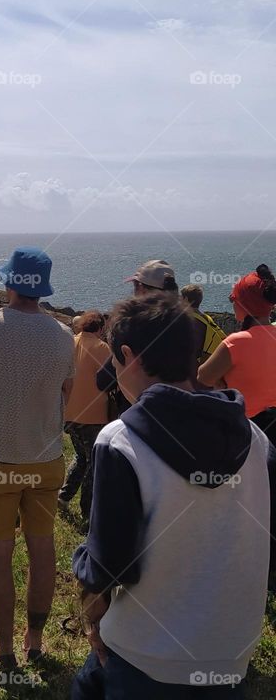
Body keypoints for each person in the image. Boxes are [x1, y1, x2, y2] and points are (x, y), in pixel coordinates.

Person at [71, 293, 274, 699]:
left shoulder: (121, 441)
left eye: (115, 361)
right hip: (230, 656)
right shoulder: (257, 440)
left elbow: (111, 565)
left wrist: (84, 568)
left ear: (129, 356)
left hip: (143, 653)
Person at [0, 247, 74, 668]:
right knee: (42, 548)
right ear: (42, 286)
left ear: (11, 281)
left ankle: (5, 649)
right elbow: (67, 393)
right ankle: (35, 641)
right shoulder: (64, 335)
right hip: (46, 460)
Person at [198, 264, 276, 446]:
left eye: (234, 298)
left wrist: (221, 381)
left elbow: (203, 378)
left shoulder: (236, 342)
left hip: (246, 430)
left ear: (244, 304)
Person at [57, 311, 110, 520]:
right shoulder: (101, 348)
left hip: (68, 412)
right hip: (93, 415)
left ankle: (64, 496)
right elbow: (109, 379)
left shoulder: (70, 343)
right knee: (93, 462)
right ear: (99, 328)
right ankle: (88, 511)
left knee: (81, 457)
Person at [181, 283, 225, 365]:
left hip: (196, 368)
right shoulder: (206, 318)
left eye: (181, 298)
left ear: (186, 299)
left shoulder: (190, 321)